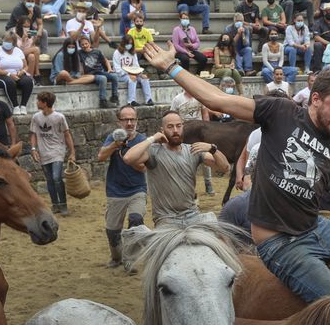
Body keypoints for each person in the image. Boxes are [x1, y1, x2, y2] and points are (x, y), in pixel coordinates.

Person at [140, 40, 330, 301]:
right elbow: (217, 100)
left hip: (318, 228)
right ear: (315, 99)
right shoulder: (282, 113)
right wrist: (171, 66)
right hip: (279, 244)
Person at [123, 109, 229, 227]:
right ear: (162, 130)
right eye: (170, 127)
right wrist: (152, 139)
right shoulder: (153, 151)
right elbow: (128, 158)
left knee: (219, 237)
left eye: (178, 126)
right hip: (166, 219)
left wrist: (212, 149)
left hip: (192, 215)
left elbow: (225, 167)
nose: (175, 130)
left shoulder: (192, 150)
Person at [98, 104, 148, 268]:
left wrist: (128, 156)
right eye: (125, 119)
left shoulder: (142, 140)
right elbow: (100, 157)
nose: (129, 123)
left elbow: (144, 167)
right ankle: (117, 257)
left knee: (135, 220)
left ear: (137, 120)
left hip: (137, 189)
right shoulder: (113, 138)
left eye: (132, 119)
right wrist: (115, 146)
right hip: (115, 190)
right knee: (112, 231)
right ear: (119, 122)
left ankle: (130, 260)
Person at [30, 91, 76, 215]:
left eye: (38, 100)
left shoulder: (59, 117)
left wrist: (72, 152)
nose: (36, 102)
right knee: (49, 180)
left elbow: (67, 134)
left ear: (44, 103)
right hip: (43, 152)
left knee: (56, 178)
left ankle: (63, 205)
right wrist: (34, 149)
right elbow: (33, 134)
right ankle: (55, 204)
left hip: (57, 151)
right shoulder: (36, 117)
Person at [0, 31, 35, 114]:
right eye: (5, 41)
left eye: (9, 41)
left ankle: (23, 106)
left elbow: (26, 66)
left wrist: (23, 71)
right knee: (10, 82)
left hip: (17, 74)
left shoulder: (18, 51)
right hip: (1, 74)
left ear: (13, 42)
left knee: (28, 81)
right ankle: (15, 106)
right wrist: (9, 74)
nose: (7, 43)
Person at [78, 36, 120, 108]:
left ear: (90, 43)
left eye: (86, 43)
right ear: (80, 46)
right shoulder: (79, 53)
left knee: (114, 76)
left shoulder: (97, 51)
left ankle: (114, 97)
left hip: (100, 71)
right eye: (82, 45)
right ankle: (102, 101)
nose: (85, 46)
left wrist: (109, 69)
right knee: (103, 78)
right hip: (90, 75)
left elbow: (105, 60)